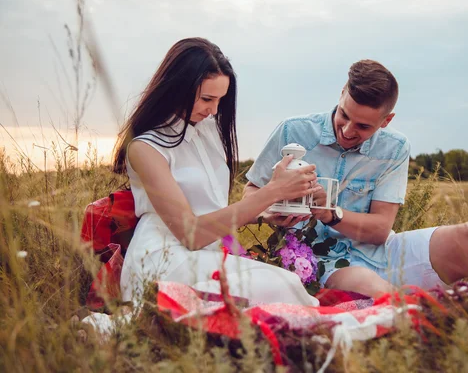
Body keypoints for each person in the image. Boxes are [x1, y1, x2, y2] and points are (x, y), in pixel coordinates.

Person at [243, 59, 468, 298]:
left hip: (382, 249)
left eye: (363, 127)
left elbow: (379, 230)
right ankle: (427, 317)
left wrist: (330, 213)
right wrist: (268, 212)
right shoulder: (293, 130)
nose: (347, 131)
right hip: (315, 258)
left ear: (386, 121)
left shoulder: (395, 147)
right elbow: (250, 195)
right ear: (340, 95)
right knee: (379, 291)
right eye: (344, 115)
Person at [112, 38, 321, 306]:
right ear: (176, 88)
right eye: (206, 99)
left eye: (220, 100)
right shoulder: (145, 148)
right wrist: (273, 191)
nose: (213, 110)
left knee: (286, 285)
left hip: (204, 256)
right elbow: (192, 233)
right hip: (163, 259)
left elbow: (210, 213)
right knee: (280, 288)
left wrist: (264, 213)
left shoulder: (207, 132)